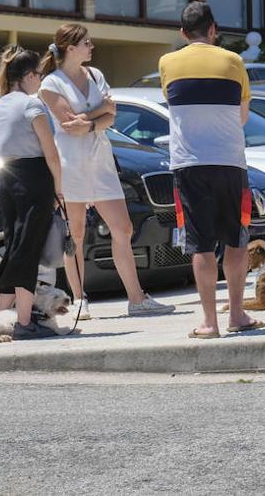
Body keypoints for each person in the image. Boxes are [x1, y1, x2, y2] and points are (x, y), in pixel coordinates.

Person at [38, 23, 172, 318]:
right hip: (70, 163)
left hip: (101, 160)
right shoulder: (51, 84)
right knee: (75, 232)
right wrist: (97, 116)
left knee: (123, 228)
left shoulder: (96, 75)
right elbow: (68, 123)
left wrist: (89, 123)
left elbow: (111, 117)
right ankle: (78, 298)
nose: (92, 46)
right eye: (86, 42)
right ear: (71, 48)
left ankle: (136, 298)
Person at [158, 1, 261, 339]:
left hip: (189, 164)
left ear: (183, 33)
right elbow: (243, 114)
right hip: (231, 162)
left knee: (200, 245)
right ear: (214, 30)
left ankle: (208, 322)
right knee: (236, 239)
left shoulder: (167, 62)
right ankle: (236, 313)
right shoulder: (234, 61)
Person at [0, 46, 65, 340]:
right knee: (28, 250)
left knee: (16, 246)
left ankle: (1, 317)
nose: (41, 80)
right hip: (35, 178)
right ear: (30, 75)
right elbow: (51, 152)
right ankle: (23, 321)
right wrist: (60, 187)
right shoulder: (32, 106)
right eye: (39, 75)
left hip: (7, 179)